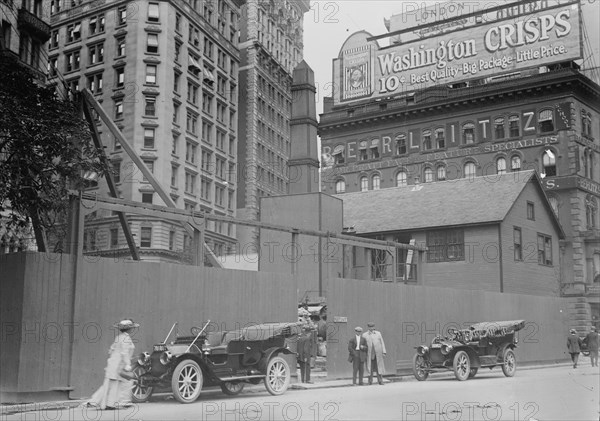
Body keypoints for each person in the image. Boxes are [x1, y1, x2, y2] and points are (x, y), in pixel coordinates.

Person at [85, 319, 139, 409]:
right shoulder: (126, 338)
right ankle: (109, 404)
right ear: (129, 329)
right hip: (119, 364)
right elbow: (124, 352)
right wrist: (127, 364)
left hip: (113, 363)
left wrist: (114, 359)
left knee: (110, 384)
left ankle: (96, 402)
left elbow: (111, 349)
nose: (132, 329)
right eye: (132, 328)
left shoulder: (118, 337)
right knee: (115, 384)